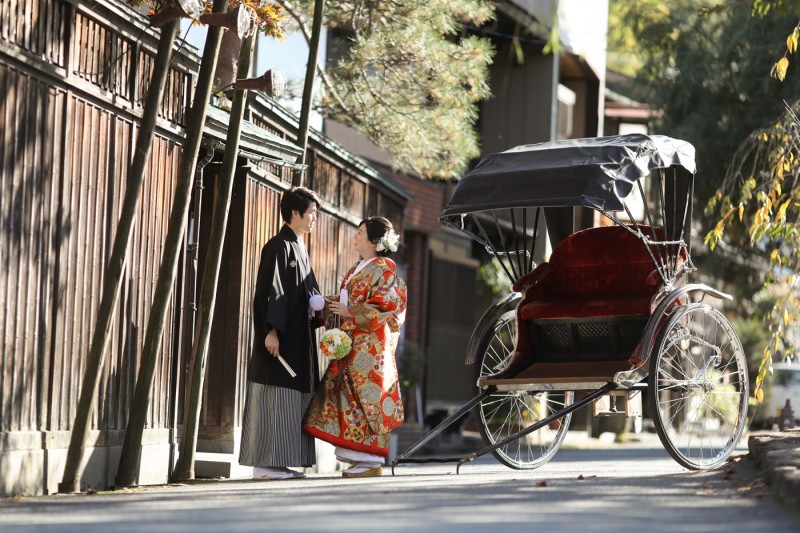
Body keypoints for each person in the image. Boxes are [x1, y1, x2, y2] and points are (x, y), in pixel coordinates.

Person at [303, 216, 407, 478]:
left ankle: (371, 460)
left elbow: (386, 305)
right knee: (349, 397)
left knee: (368, 398)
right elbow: (345, 301)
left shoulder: (385, 270)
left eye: (360, 232)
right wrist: (323, 304)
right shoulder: (358, 268)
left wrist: (350, 311)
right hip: (353, 342)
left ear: (374, 241)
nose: (355, 236)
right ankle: (361, 458)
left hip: (371, 347)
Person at [239, 186, 323, 480]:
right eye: (312, 212)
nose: (314, 218)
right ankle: (264, 464)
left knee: (289, 401)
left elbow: (307, 293)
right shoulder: (278, 246)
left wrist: (320, 306)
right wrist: (270, 331)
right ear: (295, 213)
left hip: (298, 338)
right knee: (274, 398)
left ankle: (280, 463)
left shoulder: (299, 247)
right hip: (280, 340)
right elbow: (270, 293)